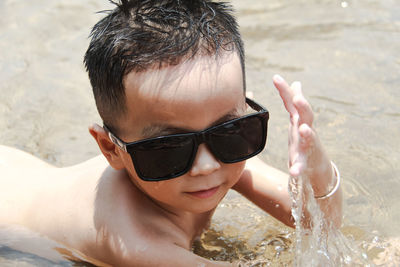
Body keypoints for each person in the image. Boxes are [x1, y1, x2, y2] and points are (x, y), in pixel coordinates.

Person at [0, 0, 342, 266]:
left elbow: (322, 223)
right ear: (111, 148)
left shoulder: (213, 156)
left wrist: (317, 169)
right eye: (168, 149)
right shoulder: (137, 245)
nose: (207, 165)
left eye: (232, 132)